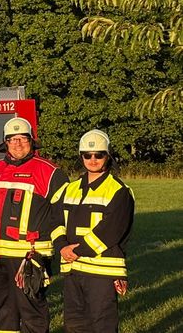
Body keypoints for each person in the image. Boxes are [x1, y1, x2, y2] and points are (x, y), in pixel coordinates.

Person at [0, 117, 69, 333]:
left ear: (32, 141)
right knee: (1, 311)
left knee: (32, 311)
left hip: (28, 256)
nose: (18, 144)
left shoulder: (50, 172)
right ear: (6, 143)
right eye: (13, 139)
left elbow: (64, 214)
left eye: (23, 138)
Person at [52, 129, 134, 333]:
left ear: (108, 156)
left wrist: (76, 251)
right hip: (73, 269)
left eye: (99, 155)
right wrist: (61, 246)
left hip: (102, 272)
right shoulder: (69, 188)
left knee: (102, 325)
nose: (93, 160)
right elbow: (55, 221)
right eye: (87, 155)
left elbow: (111, 230)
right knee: (74, 325)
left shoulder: (119, 191)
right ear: (81, 157)